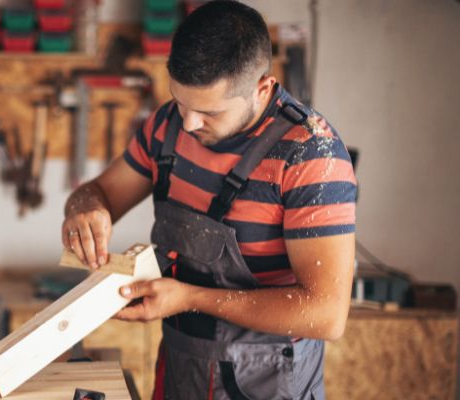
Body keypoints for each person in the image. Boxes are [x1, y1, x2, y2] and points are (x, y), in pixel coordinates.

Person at [60, 1, 357, 399]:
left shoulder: (310, 155)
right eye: (180, 102)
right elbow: (97, 192)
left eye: (208, 112)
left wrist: (188, 298)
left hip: (268, 382)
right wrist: (85, 208)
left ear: (262, 89)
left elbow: (326, 315)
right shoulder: (167, 124)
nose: (188, 123)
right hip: (182, 371)